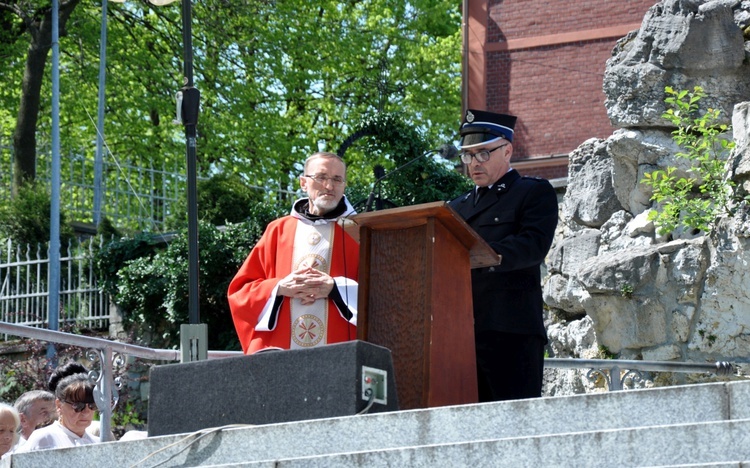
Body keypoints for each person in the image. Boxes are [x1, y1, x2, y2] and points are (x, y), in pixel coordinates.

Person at [448, 109, 558, 402]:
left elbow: (532, 246)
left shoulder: (531, 192)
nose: (473, 163)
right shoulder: (454, 208)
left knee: (514, 425)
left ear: (507, 150)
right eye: (467, 155)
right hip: (460, 332)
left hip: (510, 332)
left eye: (483, 153)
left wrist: (481, 254)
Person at [228, 152, 360, 354]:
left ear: (344, 185)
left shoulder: (359, 231)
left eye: (337, 179)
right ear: (303, 183)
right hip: (281, 352)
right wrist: (279, 287)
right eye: (321, 177)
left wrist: (335, 289)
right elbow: (240, 292)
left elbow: (383, 295)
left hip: (340, 351)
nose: (329, 186)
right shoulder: (278, 230)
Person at [15, 373, 100, 451]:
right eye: (78, 406)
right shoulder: (43, 439)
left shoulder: (98, 443)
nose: (86, 412)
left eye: (92, 405)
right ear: (59, 405)